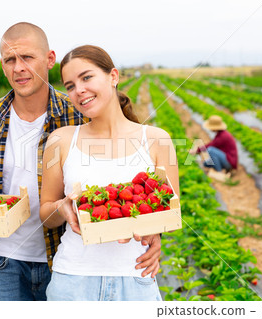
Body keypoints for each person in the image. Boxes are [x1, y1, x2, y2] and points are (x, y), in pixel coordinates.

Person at [0, 23, 161, 301]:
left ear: (49, 59)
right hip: (3, 256)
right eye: (10, 60)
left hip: (60, 254)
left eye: (27, 57)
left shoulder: (79, 111)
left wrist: (153, 233)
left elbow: (121, 174)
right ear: (3, 65)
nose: (18, 68)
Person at [39, 45, 179, 301]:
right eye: (69, 85)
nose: (78, 90)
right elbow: (46, 215)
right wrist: (64, 206)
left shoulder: (158, 140)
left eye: (86, 77)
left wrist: (154, 233)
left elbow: (169, 211)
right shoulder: (60, 140)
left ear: (113, 76)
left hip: (135, 277)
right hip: (73, 281)